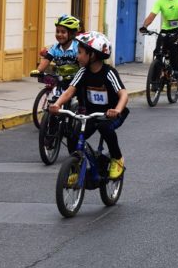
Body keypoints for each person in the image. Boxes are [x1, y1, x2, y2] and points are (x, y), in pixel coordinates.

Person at [49, 32, 129, 179]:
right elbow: (69, 91)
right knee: (74, 137)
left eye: (80, 53)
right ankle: (76, 168)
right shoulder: (83, 72)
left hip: (112, 114)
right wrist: (57, 104)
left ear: (92, 55)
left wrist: (117, 110)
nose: (77, 56)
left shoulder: (109, 73)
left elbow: (123, 94)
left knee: (105, 127)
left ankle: (117, 159)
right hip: (92, 114)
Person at [139, 0, 178, 81]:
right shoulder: (160, 0)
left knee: (174, 51)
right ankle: (155, 79)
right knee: (158, 52)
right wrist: (144, 26)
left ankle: (177, 72)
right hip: (166, 29)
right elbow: (152, 15)